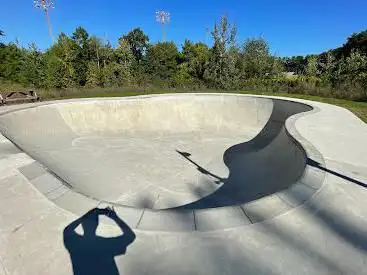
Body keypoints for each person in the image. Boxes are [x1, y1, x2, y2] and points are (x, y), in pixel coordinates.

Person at [63, 207, 136, 275]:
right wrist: (114, 217)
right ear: (96, 225)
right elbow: (130, 236)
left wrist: (85, 216)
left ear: (82, 224)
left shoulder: (76, 244)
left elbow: (67, 230)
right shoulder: (105, 244)